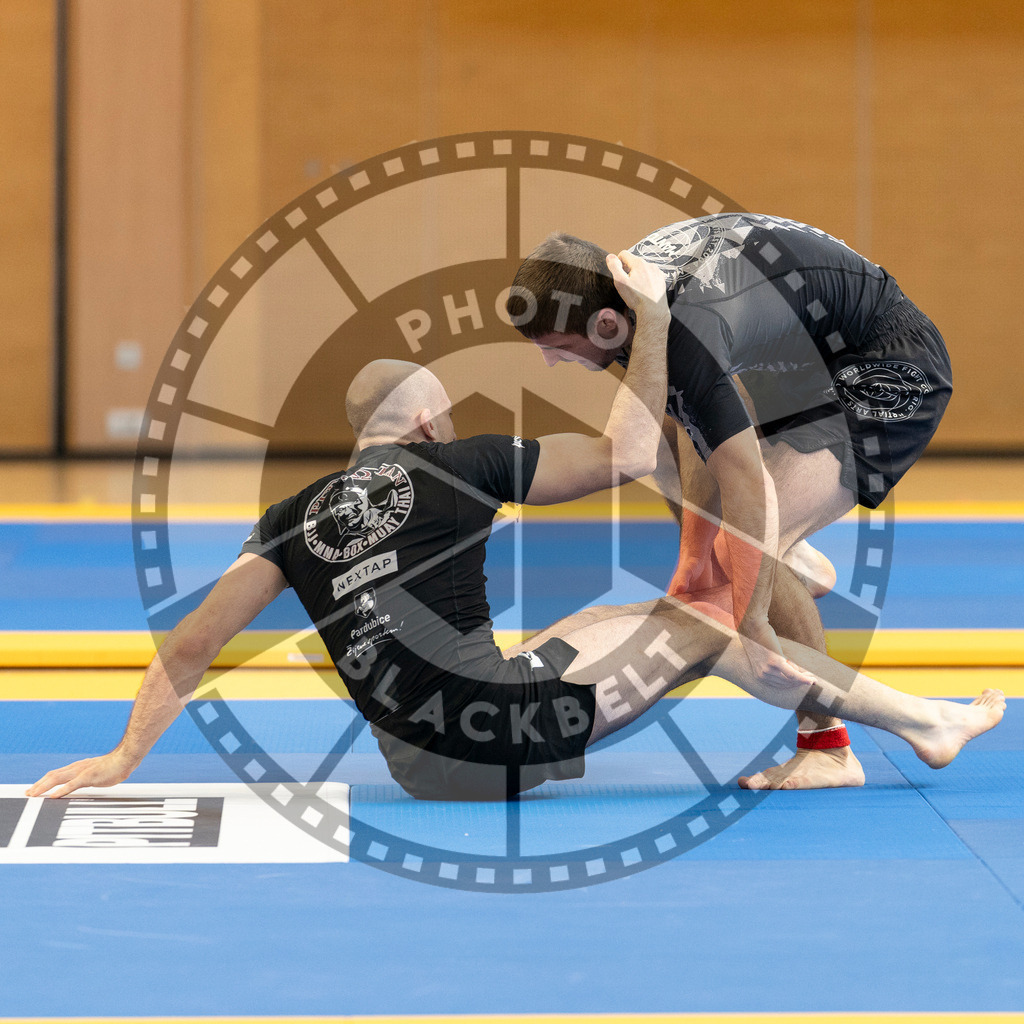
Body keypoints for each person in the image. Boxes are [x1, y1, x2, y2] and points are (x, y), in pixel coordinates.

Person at [29, 253, 998, 804]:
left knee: (627, 615)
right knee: (707, 618)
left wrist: (123, 757)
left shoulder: (289, 518)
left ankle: (817, 697)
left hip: (416, 764)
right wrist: (655, 325)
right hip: (495, 744)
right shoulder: (461, 462)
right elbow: (625, 454)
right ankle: (920, 721)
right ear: (426, 425)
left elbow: (190, 645)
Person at [507, 213, 954, 791]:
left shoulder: (680, 325)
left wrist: (753, 617)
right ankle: (787, 551)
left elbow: (745, 480)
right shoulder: (630, 292)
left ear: (606, 321)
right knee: (707, 525)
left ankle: (834, 748)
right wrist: (691, 552)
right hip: (796, 357)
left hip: (886, 359)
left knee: (736, 562)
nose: (550, 362)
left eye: (559, 348)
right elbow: (683, 425)